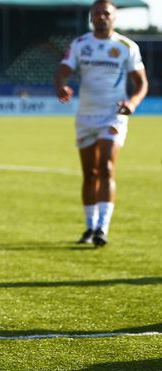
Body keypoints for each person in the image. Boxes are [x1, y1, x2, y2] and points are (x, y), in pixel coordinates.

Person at [54, 0, 147, 247]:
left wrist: (134, 103)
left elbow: (141, 83)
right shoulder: (81, 45)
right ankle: (90, 226)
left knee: (105, 166)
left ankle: (102, 229)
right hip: (86, 115)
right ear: (91, 17)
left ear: (114, 18)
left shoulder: (127, 47)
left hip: (113, 114)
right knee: (89, 173)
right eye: (97, 13)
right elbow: (62, 70)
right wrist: (60, 84)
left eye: (106, 13)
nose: (101, 17)